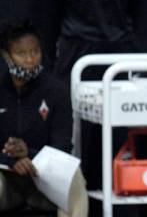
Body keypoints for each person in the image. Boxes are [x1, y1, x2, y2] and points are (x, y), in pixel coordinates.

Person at [0, 19, 88, 217]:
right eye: (21, 54)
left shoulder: (56, 91)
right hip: (8, 181)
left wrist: (29, 154)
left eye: (35, 51)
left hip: (46, 182)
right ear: (6, 56)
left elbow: (63, 147)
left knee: (75, 178)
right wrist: (10, 159)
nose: (30, 59)